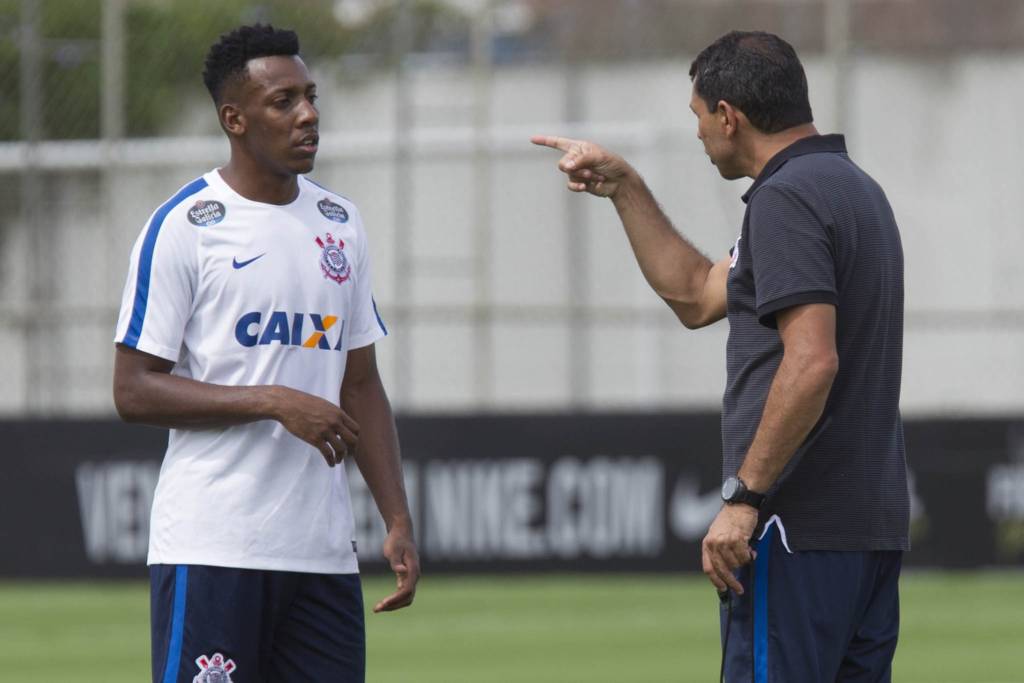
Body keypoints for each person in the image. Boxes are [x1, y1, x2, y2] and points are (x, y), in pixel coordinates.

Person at [534, 30, 908, 682]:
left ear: (729, 115)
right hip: (868, 531)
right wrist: (626, 187)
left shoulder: (785, 198)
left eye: (699, 116)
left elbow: (812, 360)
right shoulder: (855, 189)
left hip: (795, 530)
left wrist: (745, 496)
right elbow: (697, 292)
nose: (700, 134)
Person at [112, 24, 419, 683]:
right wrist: (273, 401)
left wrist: (396, 515)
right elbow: (134, 388)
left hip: (322, 555)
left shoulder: (341, 222)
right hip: (214, 544)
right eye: (283, 101)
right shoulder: (184, 226)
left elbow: (360, 383)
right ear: (236, 119)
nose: (308, 114)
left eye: (310, 96)